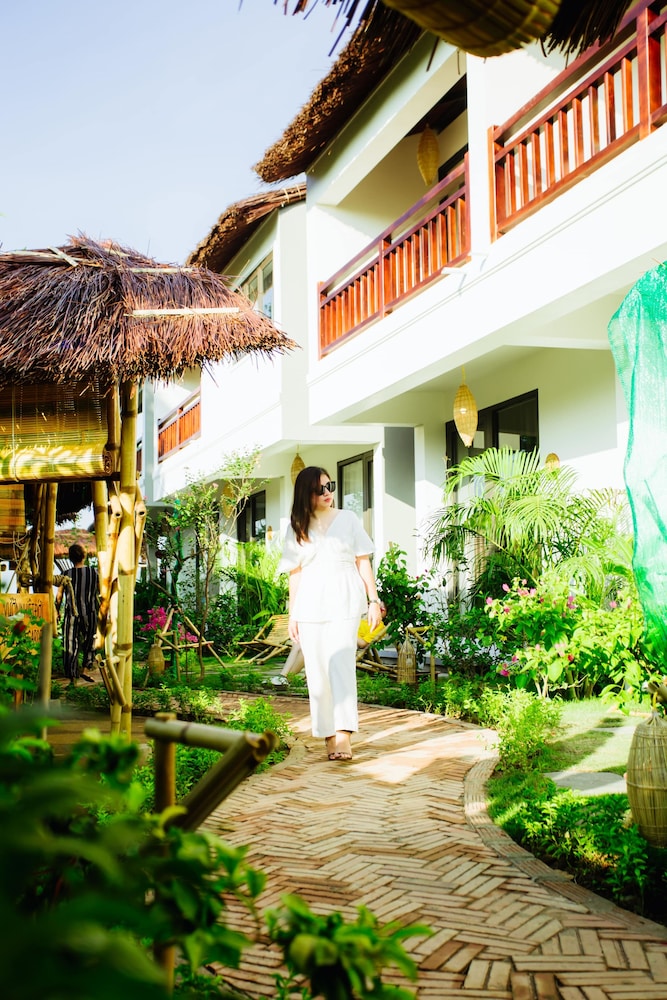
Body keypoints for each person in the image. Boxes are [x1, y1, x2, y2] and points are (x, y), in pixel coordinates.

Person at [279, 466, 383, 761]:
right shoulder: (296, 527)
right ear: (306, 495)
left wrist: (373, 600)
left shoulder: (348, 520)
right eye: (320, 489)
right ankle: (328, 735)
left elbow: (363, 561)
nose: (328, 493)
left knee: (340, 666)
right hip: (310, 604)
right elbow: (294, 575)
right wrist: (293, 615)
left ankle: (343, 735)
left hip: (345, 600)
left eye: (330, 486)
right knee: (317, 673)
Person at [55, 542, 99, 684]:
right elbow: (100, 592)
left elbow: (59, 596)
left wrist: (56, 611)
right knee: (90, 641)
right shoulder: (94, 573)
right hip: (90, 612)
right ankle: (86, 669)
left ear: (70, 558)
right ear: (84, 556)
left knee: (70, 643)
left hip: (71, 614)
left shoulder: (66, 574)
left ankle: (72, 678)